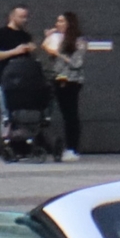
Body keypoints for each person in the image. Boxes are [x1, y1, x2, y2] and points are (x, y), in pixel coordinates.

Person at [41, 10, 86, 161]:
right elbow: (52, 58)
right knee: (65, 114)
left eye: (61, 21)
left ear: (69, 23)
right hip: (58, 78)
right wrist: (49, 40)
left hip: (71, 80)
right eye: (57, 21)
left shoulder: (78, 41)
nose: (57, 24)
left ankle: (73, 148)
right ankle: (68, 147)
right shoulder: (59, 39)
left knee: (71, 115)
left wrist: (59, 53)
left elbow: (76, 62)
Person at [0, 5, 36, 136]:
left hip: (23, 81)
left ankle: (20, 139)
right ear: (12, 17)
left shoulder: (26, 35)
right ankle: (6, 141)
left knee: (19, 112)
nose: (24, 20)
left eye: (26, 17)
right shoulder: (1, 34)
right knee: (6, 113)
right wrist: (15, 51)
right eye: (21, 17)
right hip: (5, 79)